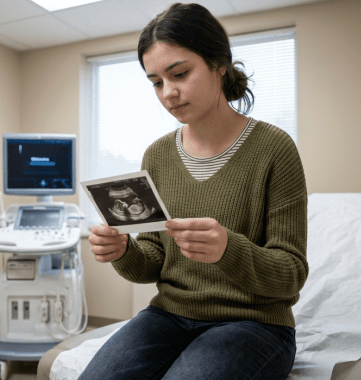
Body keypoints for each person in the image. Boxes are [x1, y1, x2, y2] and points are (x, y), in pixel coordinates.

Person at [80, 3, 308, 380]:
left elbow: (291, 273)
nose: (168, 92)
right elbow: (154, 260)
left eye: (180, 73)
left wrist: (227, 249)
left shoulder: (274, 148)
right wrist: (123, 251)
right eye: (156, 82)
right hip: (168, 315)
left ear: (219, 64)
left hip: (256, 324)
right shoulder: (157, 155)